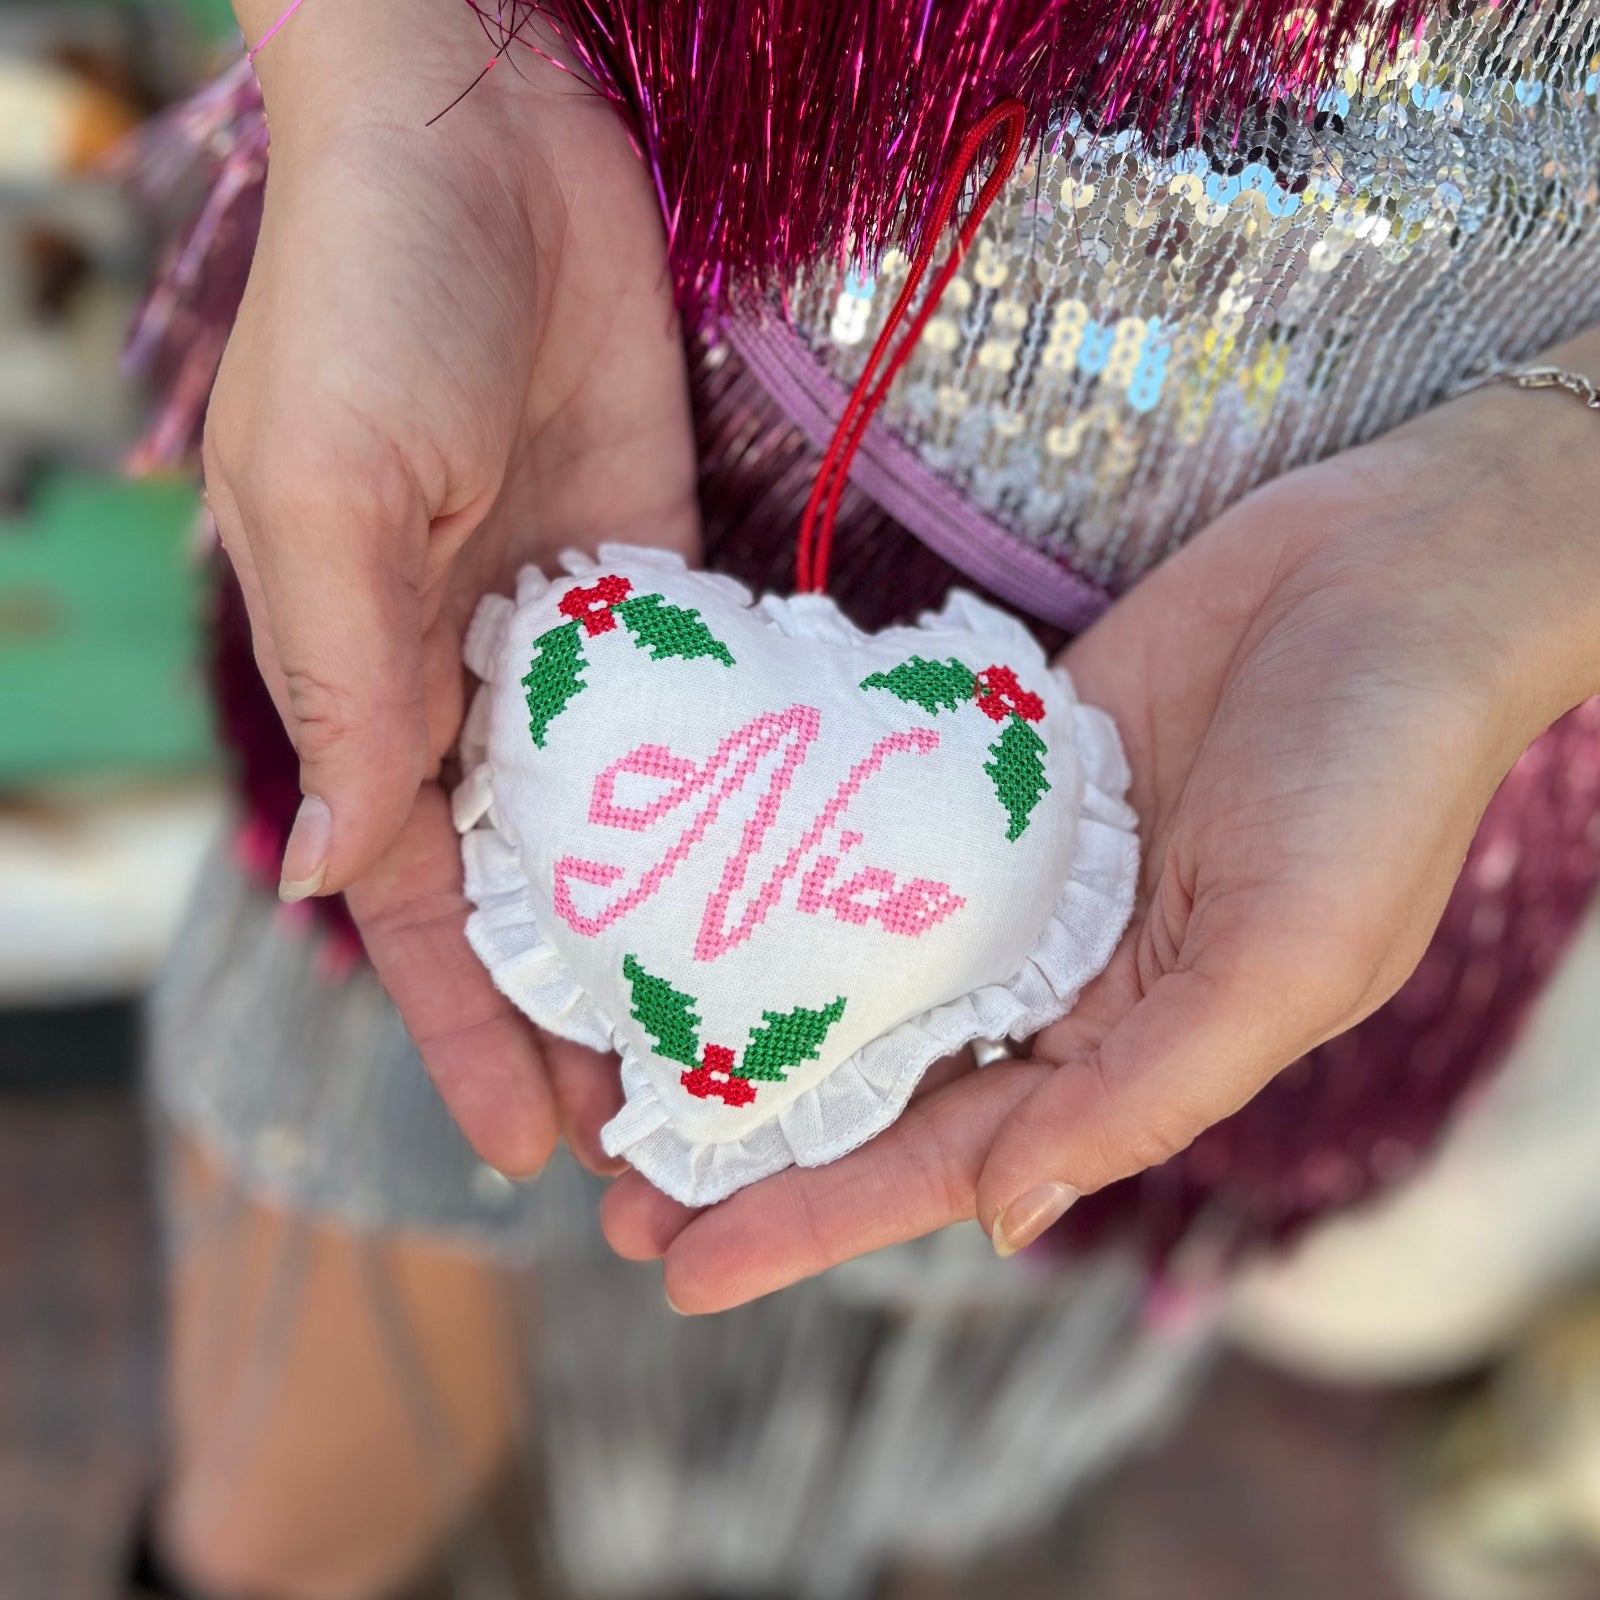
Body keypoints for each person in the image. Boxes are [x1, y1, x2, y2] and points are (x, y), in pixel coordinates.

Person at [129, 0, 1600, 1591]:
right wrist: (393, 58)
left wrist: (1543, 509)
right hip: (543, 372)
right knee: (302, 1466)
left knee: (931, 1391)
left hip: (1347, 695)